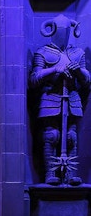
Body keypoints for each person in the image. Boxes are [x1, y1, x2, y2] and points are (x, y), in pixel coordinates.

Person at [29, 14, 90, 185]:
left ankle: (71, 175)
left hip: (71, 98)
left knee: (71, 136)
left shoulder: (77, 53)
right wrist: (55, 69)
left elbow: (87, 80)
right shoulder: (43, 53)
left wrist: (77, 71)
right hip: (50, 98)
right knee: (51, 135)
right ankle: (50, 173)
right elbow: (34, 79)